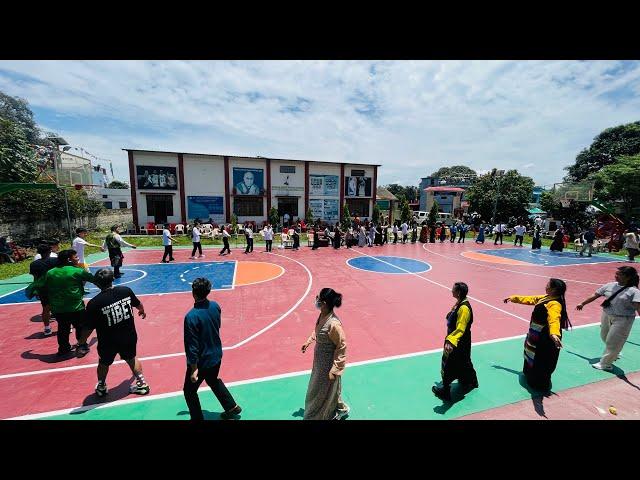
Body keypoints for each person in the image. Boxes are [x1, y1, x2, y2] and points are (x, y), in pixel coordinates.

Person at [77, 268, 150, 397]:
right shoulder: (125, 291)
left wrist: (81, 342)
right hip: (128, 336)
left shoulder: (94, 303)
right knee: (132, 358)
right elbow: (138, 304)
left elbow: (88, 328)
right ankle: (142, 384)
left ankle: (101, 386)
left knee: (104, 363)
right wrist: (142, 311)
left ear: (96, 284)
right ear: (113, 279)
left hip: (108, 341)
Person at [183, 277, 242, 420]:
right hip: (216, 355)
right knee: (213, 379)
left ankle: (197, 418)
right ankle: (231, 406)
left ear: (193, 292)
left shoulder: (191, 317)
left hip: (202, 361)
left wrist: (194, 368)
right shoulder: (215, 306)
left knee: (189, 391)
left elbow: (192, 345)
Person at [26, 249, 98, 356]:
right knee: (80, 327)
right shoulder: (77, 271)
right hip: (76, 307)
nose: (78, 258)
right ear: (69, 259)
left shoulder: (50, 272)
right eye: (75, 257)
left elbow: (38, 284)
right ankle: (82, 346)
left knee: (63, 328)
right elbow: (95, 279)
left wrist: (33, 292)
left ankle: (63, 348)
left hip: (58, 308)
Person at [504, 279, 570, 391]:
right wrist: (514, 298)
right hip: (536, 333)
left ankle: (539, 383)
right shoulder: (546, 298)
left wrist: (554, 334)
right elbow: (531, 299)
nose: (546, 286)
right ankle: (529, 374)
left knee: (540, 359)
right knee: (531, 354)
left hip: (544, 337)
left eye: (548, 285)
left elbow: (554, 319)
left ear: (553, 289)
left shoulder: (554, 304)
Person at [576, 266, 640, 371]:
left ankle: (606, 364)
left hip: (623, 319)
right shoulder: (610, 285)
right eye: (616, 274)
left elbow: (638, 307)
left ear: (628, 277)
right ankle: (615, 352)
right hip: (606, 315)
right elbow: (595, 295)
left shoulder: (634, 291)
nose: (616, 276)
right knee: (604, 335)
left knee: (613, 340)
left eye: (620, 274)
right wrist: (583, 303)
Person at [301, 288, 349, 420]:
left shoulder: (333, 324)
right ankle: (340, 408)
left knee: (320, 392)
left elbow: (342, 346)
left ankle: (323, 415)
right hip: (319, 363)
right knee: (326, 390)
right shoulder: (323, 315)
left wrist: (335, 369)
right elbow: (318, 331)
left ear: (324, 303)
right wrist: (309, 341)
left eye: (318, 299)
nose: (316, 301)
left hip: (327, 367)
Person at [432, 282, 478, 401]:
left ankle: (445, 392)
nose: (451, 290)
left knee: (448, 364)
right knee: (464, 362)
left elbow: (460, 328)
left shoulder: (464, 308)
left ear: (458, 292)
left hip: (457, 342)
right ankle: (471, 381)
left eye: (453, 289)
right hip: (462, 342)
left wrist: (451, 341)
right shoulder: (460, 303)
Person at [29, 244, 58, 336]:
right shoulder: (55, 261)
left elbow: (35, 278)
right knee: (61, 307)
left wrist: (36, 289)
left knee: (45, 309)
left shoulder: (33, 264)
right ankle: (66, 326)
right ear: (50, 251)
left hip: (43, 289)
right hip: (56, 288)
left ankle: (47, 328)